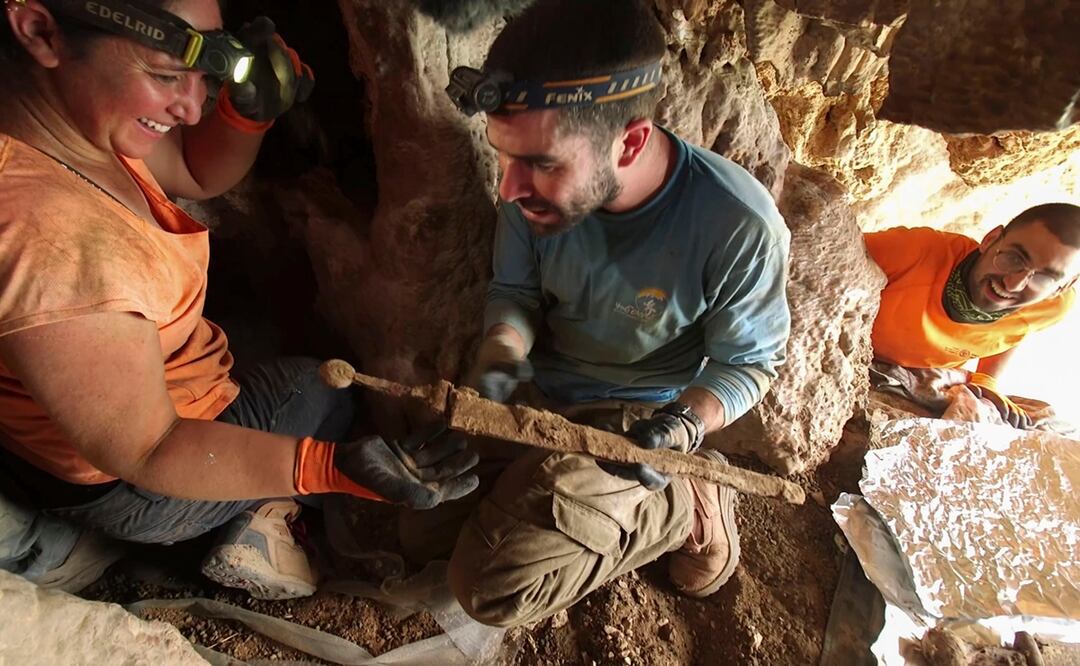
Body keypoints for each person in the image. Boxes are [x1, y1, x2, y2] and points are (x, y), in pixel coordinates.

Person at [0, 0, 478, 599]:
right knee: (320, 388)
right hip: (132, 485)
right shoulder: (53, 244)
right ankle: (255, 526)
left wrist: (246, 114)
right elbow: (151, 447)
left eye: (206, 78)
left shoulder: (67, 121)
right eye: (168, 76)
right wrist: (325, 468)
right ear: (40, 30)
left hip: (102, 410)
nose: (192, 106)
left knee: (250, 331)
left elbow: (193, 174)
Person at [406, 0, 791, 628]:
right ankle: (553, 493)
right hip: (547, 393)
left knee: (490, 587)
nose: (508, 188)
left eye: (542, 163)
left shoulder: (736, 224)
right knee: (419, 530)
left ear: (630, 141)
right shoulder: (529, 196)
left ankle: (688, 496)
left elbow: (747, 363)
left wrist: (683, 428)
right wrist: (503, 348)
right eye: (505, 156)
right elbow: (516, 294)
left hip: (641, 422)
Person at [865, 204, 1080, 427]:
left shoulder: (1051, 306)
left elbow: (1015, 330)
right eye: (1014, 258)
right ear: (990, 239)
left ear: (1062, 287)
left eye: (1044, 278)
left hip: (932, 372)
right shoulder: (912, 252)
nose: (1012, 284)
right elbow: (831, 257)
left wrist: (987, 380)